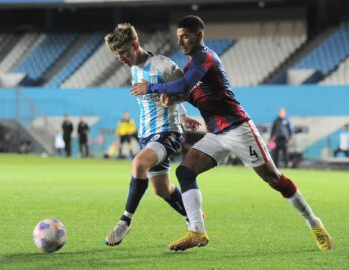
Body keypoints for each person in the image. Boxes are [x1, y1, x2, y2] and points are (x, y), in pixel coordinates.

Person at [131, 15, 332, 252]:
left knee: (274, 179)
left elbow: (185, 86)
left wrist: (153, 87)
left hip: (238, 129)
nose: (182, 42)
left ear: (200, 36)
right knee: (185, 171)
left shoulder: (205, 58)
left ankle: (314, 222)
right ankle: (197, 231)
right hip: (216, 133)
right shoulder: (189, 67)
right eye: (178, 38)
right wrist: (172, 98)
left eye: (186, 36)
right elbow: (190, 93)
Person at [103, 23, 201, 246]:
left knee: (138, 164)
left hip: (168, 132)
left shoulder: (163, 65)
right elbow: (169, 94)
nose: (122, 59)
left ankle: (124, 222)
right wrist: (183, 113)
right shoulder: (134, 68)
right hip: (147, 135)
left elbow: (185, 90)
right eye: (118, 55)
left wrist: (180, 116)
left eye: (125, 53)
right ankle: (193, 217)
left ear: (136, 45)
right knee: (161, 189)